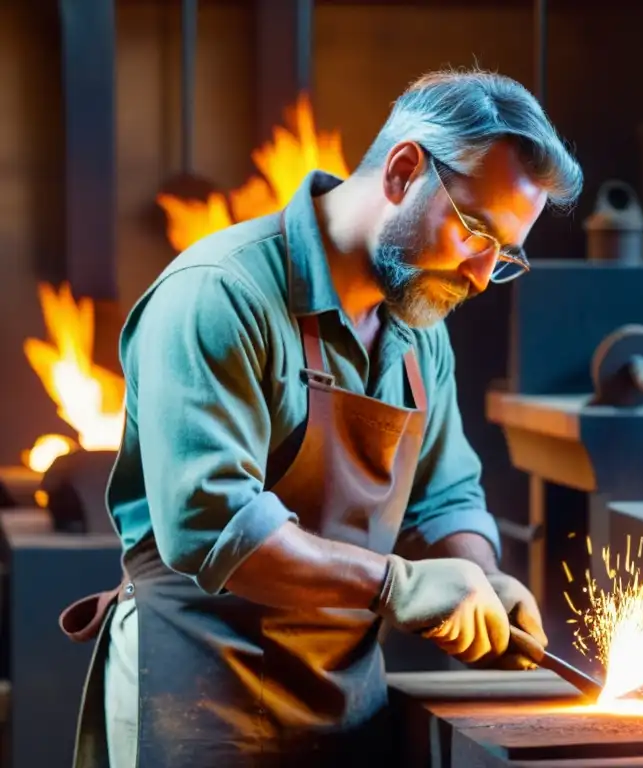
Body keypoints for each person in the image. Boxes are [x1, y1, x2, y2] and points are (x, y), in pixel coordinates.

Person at [59, 68, 583, 767]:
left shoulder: (418, 327)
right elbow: (213, 527)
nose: (483, 275)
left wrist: (480, 575)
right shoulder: (221, 295)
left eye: (504, 256)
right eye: (474, 233)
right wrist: (398, 585)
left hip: (344, 709)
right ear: (403, 170)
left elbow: (446, 496)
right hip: (194, 699)